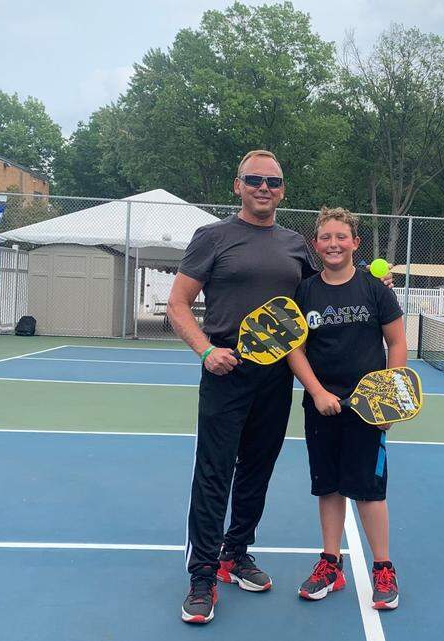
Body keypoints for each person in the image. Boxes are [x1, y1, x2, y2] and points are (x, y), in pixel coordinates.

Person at [166, 150, 317, 624]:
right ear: (238, 185)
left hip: (278, 374)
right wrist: (206, 352)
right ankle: (203, 575)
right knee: (214, 474)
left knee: (258, 469)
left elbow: (321, 298)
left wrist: (376, 288)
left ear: (283, 190)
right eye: (254, 180)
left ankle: (236, 553)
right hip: (226, 370)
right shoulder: (211, 237)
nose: (263, 188)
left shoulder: (296, 245)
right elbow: (178, 304)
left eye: (272, 182)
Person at [286, 207, 406, 611]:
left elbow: (398, 343)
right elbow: (294, 349)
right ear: (316, 243)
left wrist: (389, 395)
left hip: (368, 408)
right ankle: (330, 563)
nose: (333, 244)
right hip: (322, 405)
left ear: (355, 243)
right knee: (329, 486)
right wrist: (317, 391)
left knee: (369, 491)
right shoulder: (305, 291)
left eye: (341, 237)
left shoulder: (376, 289)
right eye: (326, 238)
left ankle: (383, 568)